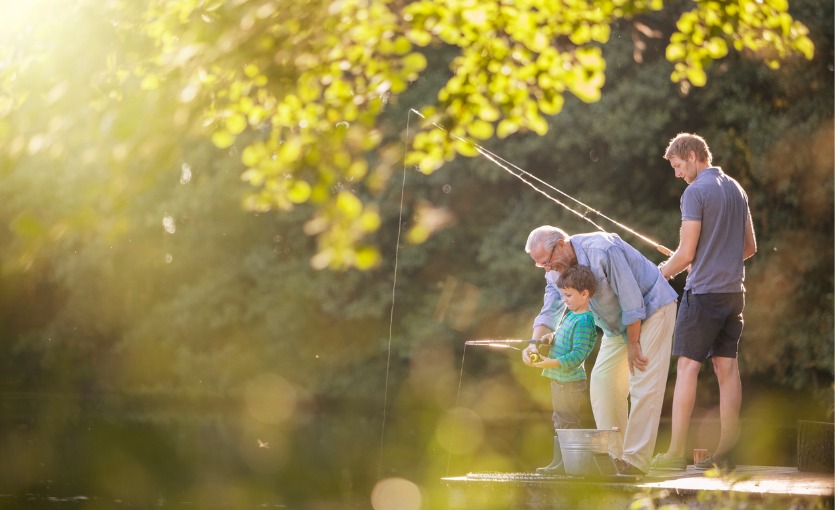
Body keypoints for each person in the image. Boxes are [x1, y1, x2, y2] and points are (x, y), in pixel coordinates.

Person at [523, 226, 677, 475]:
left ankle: (635, 461)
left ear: (562, 243)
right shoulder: (555, 271)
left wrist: (633, 343)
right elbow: (551, 305)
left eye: (547, 261)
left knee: (642, 381)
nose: (547, 268)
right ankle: (615, 457)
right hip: (616, 325)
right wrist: (533, 343)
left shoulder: (603, 249)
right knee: (603, 382)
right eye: (541, 265)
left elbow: (631, 299)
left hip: (651, 308)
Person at [651, 133, 757, 471]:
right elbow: (750, 247)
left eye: (678, 166)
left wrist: (660, 274)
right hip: (733, 294)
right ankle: (727, 453)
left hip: (704, 295)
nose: (677, 174)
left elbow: (684, 254)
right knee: (727, 368)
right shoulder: (737, 189)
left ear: (695, 155)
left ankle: (674, 454)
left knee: (687, 367)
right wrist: (714, 258)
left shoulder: (695, 192)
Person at [525, 264, 598, 475]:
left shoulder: (585, 321)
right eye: (563, 295)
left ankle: (570, 465)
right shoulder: (570, 315)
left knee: (568, 421)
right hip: (559, 381)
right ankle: (561, 462)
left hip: (570, 382)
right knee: (559, 420)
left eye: (568, 295)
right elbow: (563, 338)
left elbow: (577, 356)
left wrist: (551, 362)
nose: (564, 299)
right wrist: (550, 338)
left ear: (585, 294)